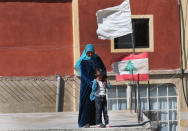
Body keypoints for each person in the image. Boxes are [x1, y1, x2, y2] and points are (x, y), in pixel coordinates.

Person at [74, 44, 106, 128]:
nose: (90, 55)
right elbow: (83, 75)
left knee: (96, 104)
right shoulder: (83, 61)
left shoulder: (97, 59)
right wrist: (91, 83)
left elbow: (103, 69)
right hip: (86, 86)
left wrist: (104, 79)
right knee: (86, 103)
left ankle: (97, 121)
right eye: (88, 53)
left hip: (97, 84)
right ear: (85, 52)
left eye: (91, 53)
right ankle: (84, 122)